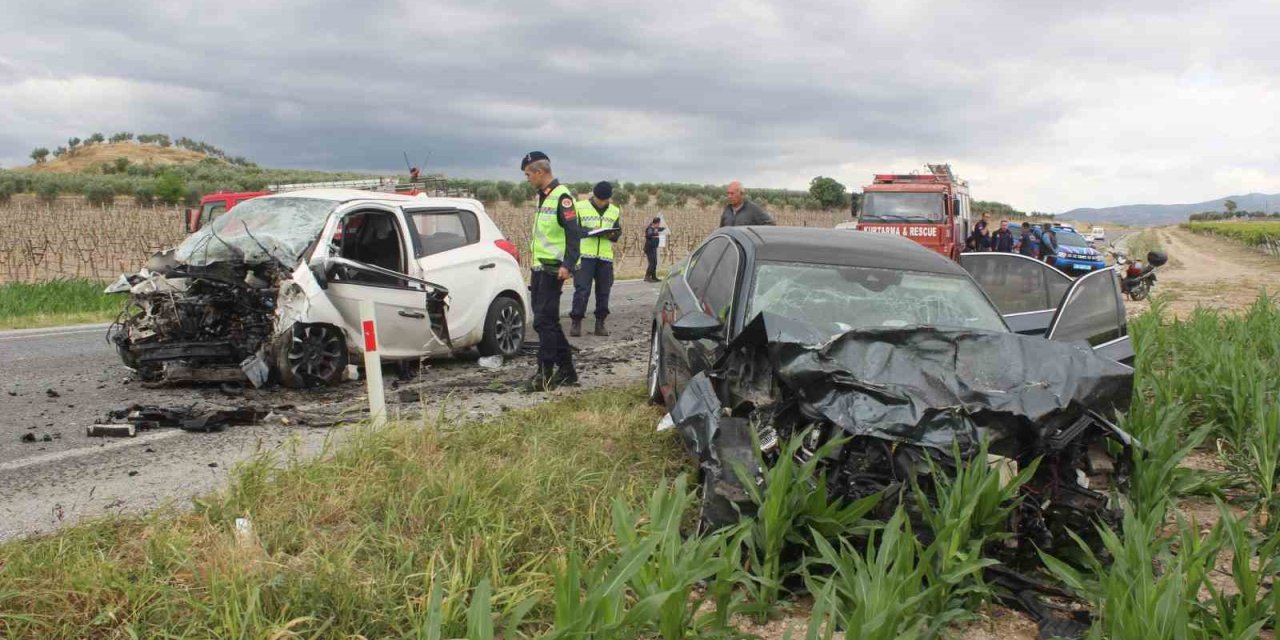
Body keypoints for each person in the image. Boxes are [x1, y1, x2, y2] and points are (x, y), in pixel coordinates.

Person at [520, 151, 581, 392]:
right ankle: (567, 370)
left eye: (528, 175)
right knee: (545, 322)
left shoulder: (561, 197)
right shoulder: (543, 197)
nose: (527, 179)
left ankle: (544, 374)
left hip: (553, 269)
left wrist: (568, 265)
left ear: (540, 172)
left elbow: (573, 235)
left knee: (545, 322)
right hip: (540, 267)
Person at [570, 181, 622, 337]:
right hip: (585, 255)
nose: (602, 202)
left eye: (605, 200)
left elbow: (617, 231)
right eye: (600, 199)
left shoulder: (614, 210)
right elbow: (573, 230)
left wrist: (614, 234)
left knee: (604, 291)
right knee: (582, 290)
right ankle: (576, 322)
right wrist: (590, 232)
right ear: (594, 195)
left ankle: (600, 323)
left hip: (605, 257)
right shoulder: (579, 207)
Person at [644, 217, 664, 282]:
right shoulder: (650, 228)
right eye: (659, 223)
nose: (659, 225)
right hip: (649, 248)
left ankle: (653, 277)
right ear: (656, 223)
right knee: (652, 263)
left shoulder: (655, 228)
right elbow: (648, 235)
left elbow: (660, 229)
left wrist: (662, 229)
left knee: (655, 263)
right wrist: (654, 232)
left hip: (653, 247)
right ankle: (647, 277)